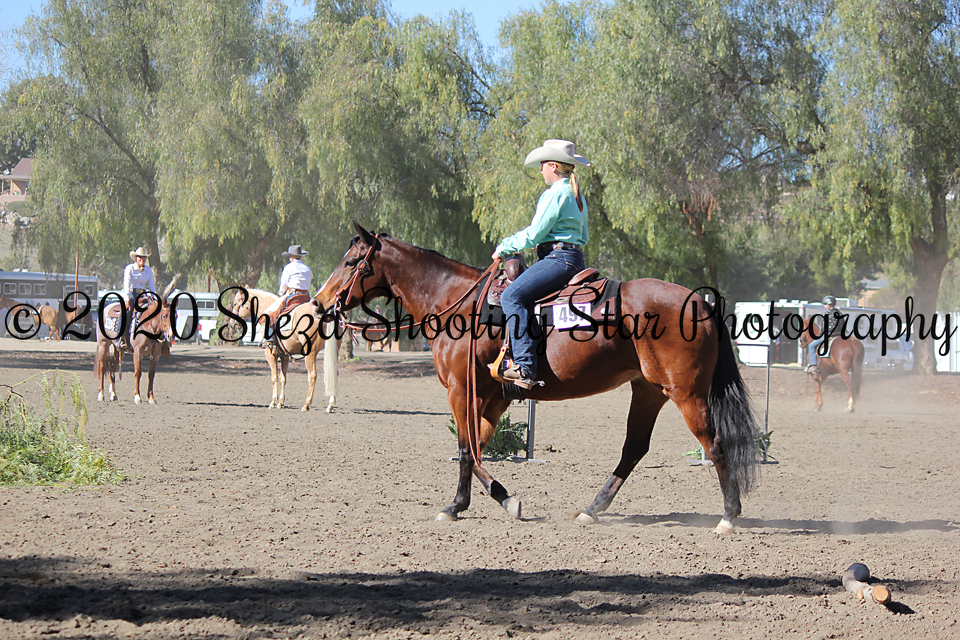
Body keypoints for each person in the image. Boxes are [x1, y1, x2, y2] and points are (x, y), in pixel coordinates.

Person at [492, 139, 590, 389]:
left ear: (553, 166)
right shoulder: (576, 195)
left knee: (511, 296)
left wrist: (504, 247)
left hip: (557, 259)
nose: (541, 170)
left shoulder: (555, 193)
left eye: (543, 165)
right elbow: (584, 236)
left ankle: (524, 366)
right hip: (573, 258)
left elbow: (534, 234)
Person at [262, 244, 313, 339]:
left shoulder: (289, 267)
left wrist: (281, 294)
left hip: (292, 296)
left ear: (292, 257)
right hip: (306, 297)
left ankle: (270, 339)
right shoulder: (307, 269)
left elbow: (284, 284)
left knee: (271, 313)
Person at [120, 246, 157, 351]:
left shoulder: (148, 270)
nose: (142, 259)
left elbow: (152, 287)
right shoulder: (130, 268)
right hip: (132, 294)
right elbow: (126, 285)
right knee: (127, 312)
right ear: (136, 258)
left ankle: (155, 339)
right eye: (140, 257)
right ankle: (123, 338)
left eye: (144, 257)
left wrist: (155, 299)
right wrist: (127, 300)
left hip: (143, 295)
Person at [806, 295, 845, 373]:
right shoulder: (840, 313)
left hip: (829, 333)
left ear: (829, 304)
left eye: (825, 304)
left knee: (811, 345)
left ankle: (813, 365)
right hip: (839, 334)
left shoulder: (828, 313)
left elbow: (824, 326)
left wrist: (821, 332)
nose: (824, 306)